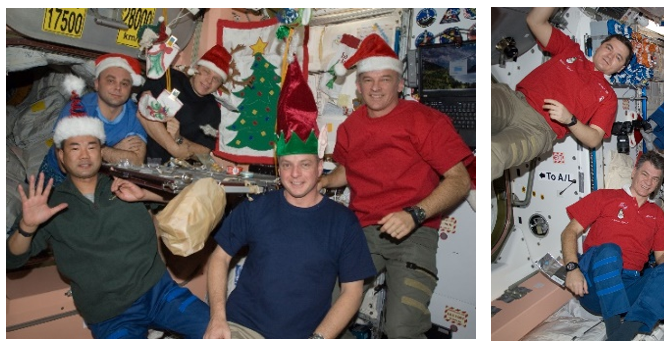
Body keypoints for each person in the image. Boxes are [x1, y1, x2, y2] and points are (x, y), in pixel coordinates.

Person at [203, 60, 375, 339]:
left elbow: (352, 292)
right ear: (278, 167)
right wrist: (217, 318)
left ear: (320, 167)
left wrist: (317, 340)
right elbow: (219, 257)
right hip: (242, 327)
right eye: (287, 165)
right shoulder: (255, 208)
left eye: (305, 164)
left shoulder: (343, 223)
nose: (295, 174)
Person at [318, 33, 473, 339]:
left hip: (415, 233)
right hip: (362, 231)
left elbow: (460, 180)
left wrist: (414, 214)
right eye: (368, 80)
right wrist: (320, 182)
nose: (376, 87)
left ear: (400, 83)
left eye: (385, 79)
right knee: (327, 311)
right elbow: (346, 171)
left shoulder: (426, 121)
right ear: (359, 86)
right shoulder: (351, 128)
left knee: (403, 328)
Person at [10, 113, 209, 339]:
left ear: (101, 153)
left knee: (222, 334)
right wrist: (27, 225)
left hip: (160, 292)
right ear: (61, 156)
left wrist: (145, 194)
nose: (84, 155)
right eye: (75, 148)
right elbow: (12, 258)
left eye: (92, 147)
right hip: (111, 314)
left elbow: (189, 200)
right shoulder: (48, 202)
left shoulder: (126, 180)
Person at [490, 7, 633, 178]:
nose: (610, 56)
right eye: (609, 48)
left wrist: (570, 120)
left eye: (618, 57)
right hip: (513, 101)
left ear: (621, 67)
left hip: (537, 130)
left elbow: (595, 139)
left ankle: (469, 184)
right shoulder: (571, 50)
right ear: (600, 46)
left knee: (494, 153)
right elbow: (535, 21)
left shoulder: (608, 97)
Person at [561, 153, 664, 341]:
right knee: (610, 250)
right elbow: (569, 231)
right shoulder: (605, 197)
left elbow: (661, 256)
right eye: (645, 174)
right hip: (594, 285)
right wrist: (572, 268)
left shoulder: (656, 214)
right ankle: (613, 325)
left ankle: (625, 333)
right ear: (634, 172)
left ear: (659, 183)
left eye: (655, 179)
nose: (648, 182)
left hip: (628, 289)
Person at [38, 53, 149, 183]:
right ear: (96, 84)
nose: (118, 88)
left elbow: (136, 162)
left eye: (124, 83)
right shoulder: (77, 109)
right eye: (110, 81)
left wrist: (92, 150)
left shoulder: (135, 115)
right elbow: (66, 165)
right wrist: (115, 150)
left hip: (104, 178)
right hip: (58, 175)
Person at [138, 44, 230, 164]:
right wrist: (174, 148)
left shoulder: (212, 110)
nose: (209, 81)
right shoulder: (169, 77)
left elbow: (204, 151)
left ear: (219, 85)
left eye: (216, 79)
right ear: (196, 68)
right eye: (206, 72)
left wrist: (178, 138)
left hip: (174, 171)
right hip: (139, 158)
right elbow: (143, 110)